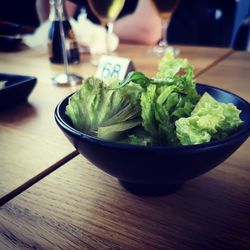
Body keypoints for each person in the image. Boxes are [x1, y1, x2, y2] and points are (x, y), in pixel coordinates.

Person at [35, 0, 162, 45]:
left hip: (136, 56)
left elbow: (147, 30)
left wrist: (87, 35)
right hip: (88, 59)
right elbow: (54, 22)